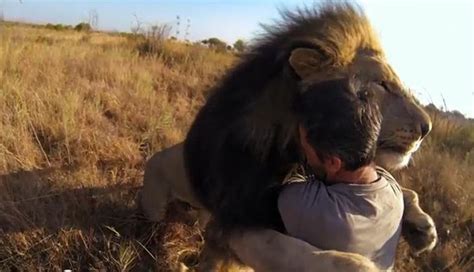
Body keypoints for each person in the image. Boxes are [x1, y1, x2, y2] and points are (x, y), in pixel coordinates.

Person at [278, 78, 404, 271]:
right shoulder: (394, 194)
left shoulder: (304, 206)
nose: (303, 153)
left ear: (333, 162)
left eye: (304, 146)